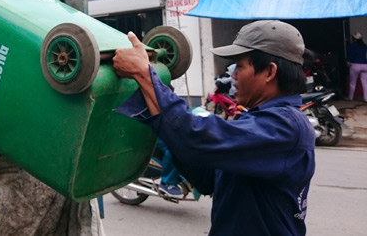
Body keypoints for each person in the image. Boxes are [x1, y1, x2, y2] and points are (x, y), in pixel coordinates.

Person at [113, 20, 315, 236]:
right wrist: (166, 128)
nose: (233, 75)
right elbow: (208, 179)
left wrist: (145, 73)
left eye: (240, 65)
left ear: (269, 72)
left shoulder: (285, 127)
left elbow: (196, 139)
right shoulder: (259, 119)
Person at [346, 32, 367, 101]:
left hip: (355, 65)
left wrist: (348, 61)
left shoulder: (352, 46)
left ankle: (350, 97)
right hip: (365, 65)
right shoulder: (365, 46)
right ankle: (365, 98)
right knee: (365, 82)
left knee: (352, 82)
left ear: (354, 38)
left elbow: (351, 55)